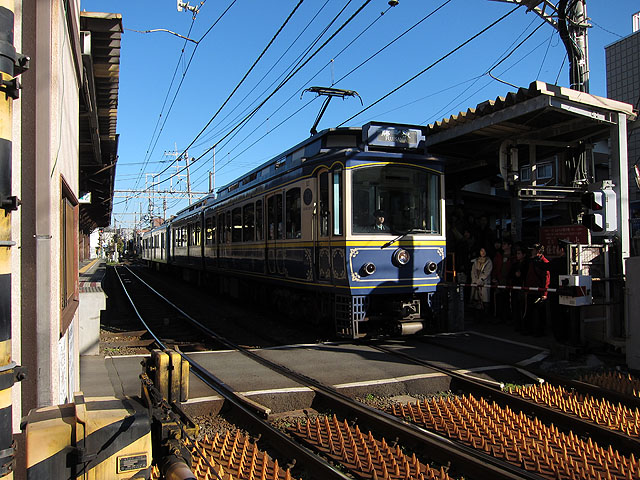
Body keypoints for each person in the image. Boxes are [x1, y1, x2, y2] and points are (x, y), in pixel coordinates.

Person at [523, 243, 550, 336]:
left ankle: (540, 331)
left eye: (533, 250)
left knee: (540, 312)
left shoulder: (544, 262)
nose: (531, 252)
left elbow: (546, 278)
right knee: (530, 311)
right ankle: (529, 329)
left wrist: (544, 293)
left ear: (538, 251)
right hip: (531, 289)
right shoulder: (532, 261)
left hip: (539, 291)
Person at [470, 247, 493, 320]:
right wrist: (475, 280)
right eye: (481, 251)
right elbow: (473, 271)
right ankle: (477, 316)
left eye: (484, 251)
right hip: (476, 282)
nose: (482, 252)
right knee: (476, 300)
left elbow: (487, 273)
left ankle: (485, 317)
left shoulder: (488, 261)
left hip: (484, 283)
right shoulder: (476, 261)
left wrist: (479, 280)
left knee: (485, 300)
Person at [508, 246, 528, 331]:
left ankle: (523, 325)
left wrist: (521, 275)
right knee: (515, 307)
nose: (517, 255)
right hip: (515, 288)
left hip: (522, 287)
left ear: (524, 255)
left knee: (522, 308)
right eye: (517, 253)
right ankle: (517, 325)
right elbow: (509, 275)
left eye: (519, 253)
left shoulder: (526, 265)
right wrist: (514, 275)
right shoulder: (515, 264)